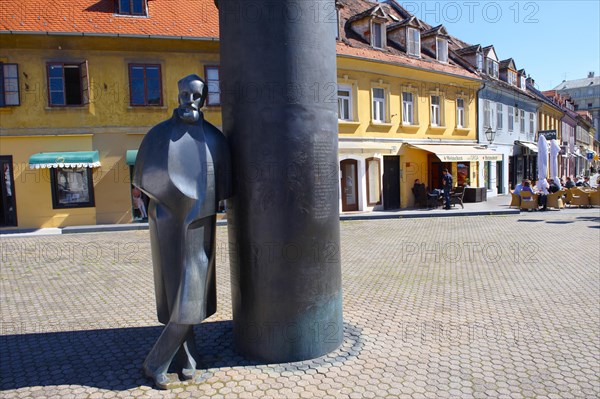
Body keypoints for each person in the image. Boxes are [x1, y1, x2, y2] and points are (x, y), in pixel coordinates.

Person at [133, 74, 232, 389]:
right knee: (180, 295)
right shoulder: (159, 135)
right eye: (183, 95)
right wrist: (173, 201)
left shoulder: (215, 139)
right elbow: (145, 176)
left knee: (191, 297)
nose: (188, 101)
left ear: (202, 99)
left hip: (200, 228)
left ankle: (183, 359)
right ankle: (165, 361)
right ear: (177, 96)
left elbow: (226, 185)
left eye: (195, 95)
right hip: (167, 224)